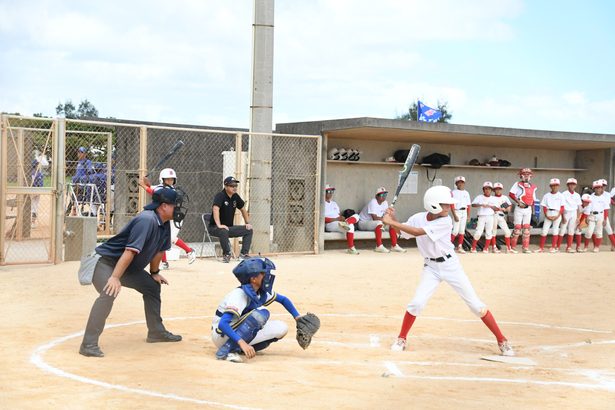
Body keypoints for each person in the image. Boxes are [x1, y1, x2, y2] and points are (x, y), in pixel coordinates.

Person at [383, 185, 514, 357]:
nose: (449, 207)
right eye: (445, 205)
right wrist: (394, 219)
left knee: (476, 306)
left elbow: (416, 232)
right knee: (416, 304)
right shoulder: (417, 217)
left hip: (450, 266)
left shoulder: (445, 221)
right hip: (431, 267)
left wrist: (391, 222)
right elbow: (403, 232)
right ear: (433, 204)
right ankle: (401, 338)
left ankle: (502, 340)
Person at [79, 187, 185, 357]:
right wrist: (114, 277)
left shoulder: (164, 224)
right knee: (109, 292)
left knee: (151, 286)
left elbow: (159, 252)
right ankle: (88, 344)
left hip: (125, 267)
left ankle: (156, 332)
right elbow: (130, 252)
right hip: (105, 263)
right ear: (164, 206)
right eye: (175, 205)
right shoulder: (147, 220)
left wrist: (154, 272)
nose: (178, 209)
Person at [211, 257, 307, 362]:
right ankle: (228, 349)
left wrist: (297, 317)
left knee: (282, 328)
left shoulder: (259, 292)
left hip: (235, 331)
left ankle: (239, 349)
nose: (267, 275)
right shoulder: (239, 294)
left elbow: (283, 300)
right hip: (222, 335)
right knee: (261, 314)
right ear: (253, 279)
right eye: (263, 273)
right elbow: (223, 324)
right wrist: (241, 342)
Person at [139, 168, 196, 268]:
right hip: (166, 217)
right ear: (162, 179)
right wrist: (147, 183)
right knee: (162, 237)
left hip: (174, 218)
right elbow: (154, 188)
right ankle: (164, 262)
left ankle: (189, 251)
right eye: (168, 179)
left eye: (172, 179)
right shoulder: (160, 187)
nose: (170, 181)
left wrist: (144, 186)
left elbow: (154, 192)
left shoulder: (170, 190)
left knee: (170, 238)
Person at [208, 176, 253, 263]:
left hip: (229, 228)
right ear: (226, 186)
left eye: (235, 185)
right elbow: (215, 209)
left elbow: (243, 209)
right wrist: (219, 225)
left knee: (249, 230)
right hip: (215, 228)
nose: (234, 187)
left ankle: (243, 254)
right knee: (223, 230)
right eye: (232, 185)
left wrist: (247, 223)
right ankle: (227, 254)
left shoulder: (235, 196)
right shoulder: (220, 196)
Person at [357, 187, 405, 253]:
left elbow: (387, 217)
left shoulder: (385, 203)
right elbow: (374, 218)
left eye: (385, 195)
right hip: (363, 223)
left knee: (392, 223)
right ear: (377, 196)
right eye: (382, 195)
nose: (384, 197)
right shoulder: (373, 202)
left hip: (374, 223)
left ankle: (394, 245)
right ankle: (379, 246)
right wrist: (386, 220)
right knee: (379, 222)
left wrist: (391, 216)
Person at [323, 184, 360, 255]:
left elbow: (338, 215)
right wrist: (337, 219)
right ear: (324, 192)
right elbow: (323, 219)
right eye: (329, 191)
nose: (331, 193)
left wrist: (342, 218)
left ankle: (347, 223)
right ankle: (351, 247)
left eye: (332, 191)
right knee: (350, 226)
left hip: (339, 223)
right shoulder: (321, 204)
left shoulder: (334, 203)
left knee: (356, 216)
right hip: (330, 224)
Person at [509, 168, 538, 254]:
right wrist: (518, 202)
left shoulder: (533, 187)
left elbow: (533, 200)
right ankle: (512, 247)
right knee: (517, 228)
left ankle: (525, 247)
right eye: (524, 174)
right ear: (521, 175)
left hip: (528, 209)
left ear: (530, 176)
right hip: (519, 208)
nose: (526, 176)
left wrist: (534, 213)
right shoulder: (517, 184)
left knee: (526, 229)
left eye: (528, 174)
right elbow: (511, 194)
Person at [536, 178, 564, 253]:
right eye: (553, 185)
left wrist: (558, 216)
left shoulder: (561, 195)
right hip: (548, 213)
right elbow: (544, 207)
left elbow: (562, 207)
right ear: (550, 186)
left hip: (557, 213)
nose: (554, 187)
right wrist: (547, 215)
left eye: (556, 185)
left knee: (555, 231)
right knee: (544, 231)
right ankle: (541, 248)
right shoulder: (546, 195)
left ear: (558, 186)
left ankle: (553, 247)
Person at [470, 181, 498, 254]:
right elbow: (473, 205)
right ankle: (473, 248)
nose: (487, 190)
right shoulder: (479, 197)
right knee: (478, 232)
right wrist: (481, 204)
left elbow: (497, 208)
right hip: (481, 216)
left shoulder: (493, 198)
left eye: (489, 189)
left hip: (490, 216)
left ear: (491, 190)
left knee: (489, 233)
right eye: (485, 189)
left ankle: (486, 248)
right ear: (483, 189)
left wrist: (490, 206)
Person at [557, 178, 582, 253]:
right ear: (567, 185)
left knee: (571, 230)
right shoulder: (563, 194)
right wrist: (563, 216)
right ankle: (557, 246)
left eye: (573, 184)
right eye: (570, 184)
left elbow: (578, 207)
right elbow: (561, 206)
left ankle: (569, 247)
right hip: (566, 212)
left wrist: (578, 217)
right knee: (562, 230)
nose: (572, 186)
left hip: (574, 212)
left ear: (575, 185)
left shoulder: (577, 195)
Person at [580, 183, 605, 252]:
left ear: (601, 189)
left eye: (599, 187)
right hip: (592, 215)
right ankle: (585, 247)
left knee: (599, 232)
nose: (598, 189)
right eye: (596, 188)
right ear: (594, 189)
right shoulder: (591, 196)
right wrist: (587, 217)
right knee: (589, 232)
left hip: (600, 215)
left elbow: (605, 209)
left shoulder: (603, 197)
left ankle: (597, 247)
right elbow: (588, 207)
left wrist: (605, 218)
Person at [491, 182, 515, 253]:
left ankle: (508, 248)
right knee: (493, 232)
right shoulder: (491, 198)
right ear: (494, 190)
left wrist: (506, 209)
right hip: (494, 216)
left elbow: (509, 208)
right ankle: (494, 247)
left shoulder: (504, 197)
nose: (498, 190)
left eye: (499, 189)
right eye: (496, 189)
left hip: (501, 216)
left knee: (508, 232)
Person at [450, 176, 471, 253]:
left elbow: (468, 205)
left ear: (464, 183)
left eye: (462, 182)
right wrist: (454, 215)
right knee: (455, 231)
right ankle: (448, 246)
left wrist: (468, 215)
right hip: (457, 211)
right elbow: (451, 204)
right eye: (459, 182)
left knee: (462, 231)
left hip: (464, 211)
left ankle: (460, 246)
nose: (460, 184)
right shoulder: (453, 192)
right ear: (456, 183)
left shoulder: (466, 193)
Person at [30, 149, 49, 227]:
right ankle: (33, 222)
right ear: (36, 165)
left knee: (31, 205)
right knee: (35, 206)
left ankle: (30, 221)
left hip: (30, 190)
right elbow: (41, 184)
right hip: (37, 190)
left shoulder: (30, 172)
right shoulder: (39, 173)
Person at [597, 179, 615, 251]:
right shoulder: (593, 194)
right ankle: (596, 246)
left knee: (609, 230)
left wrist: (605, 217)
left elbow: (607, 206)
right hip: (595, 215)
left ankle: (613, 245)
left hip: (603, 214)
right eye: (601, 185)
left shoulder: (607, 194)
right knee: (595, 231)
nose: (603, 187)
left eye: (604, 185)